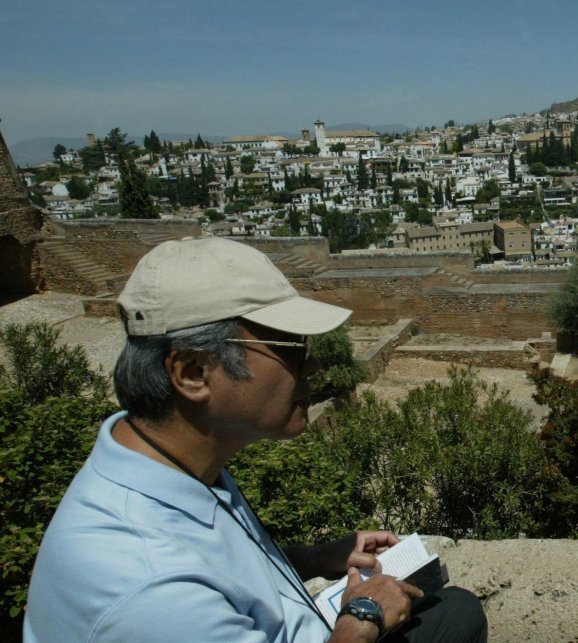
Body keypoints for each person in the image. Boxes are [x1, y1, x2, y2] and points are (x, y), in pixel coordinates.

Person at [25, 237, 487, 642]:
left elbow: (222, 572)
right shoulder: (148, 590)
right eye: (292, 349)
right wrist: (361, 618)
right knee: (457, 615)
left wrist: (313, 558)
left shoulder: (172, 458)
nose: (314, 367)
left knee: (454, 610)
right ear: (192, 373)